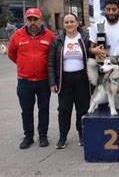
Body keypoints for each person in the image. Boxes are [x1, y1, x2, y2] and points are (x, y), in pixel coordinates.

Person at [7, 8, 55, 149]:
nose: (32, 22)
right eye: (30, 19)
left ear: (41, 20)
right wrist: (24, 65)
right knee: (26, 110)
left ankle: (43, 136)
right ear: (26, 21)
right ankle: (28, 137)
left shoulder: (50, 36)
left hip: (43, 81)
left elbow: (53, 56)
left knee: (44, 109)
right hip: (24, 81)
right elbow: (11, 54)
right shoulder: (17, 36)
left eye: (35, 19)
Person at [48, 14, 92, 149]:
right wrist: (52, 82)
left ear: (77, 23)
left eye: (72, 21)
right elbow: (51, 62)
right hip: (64, 80)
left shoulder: (85, 38)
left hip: (82, 80)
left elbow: (92, 55)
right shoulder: (58, 40)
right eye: (66, 22)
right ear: (63, 24)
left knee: (82, 109)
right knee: (64, 110)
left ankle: (82, 135)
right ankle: (63, 137)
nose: (69, 24)